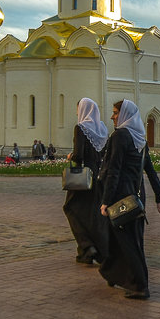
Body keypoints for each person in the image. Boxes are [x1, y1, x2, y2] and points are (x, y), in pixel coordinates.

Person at [98, 99, 160, 300]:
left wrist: (105, 200)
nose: (112, 116)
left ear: (125, 115)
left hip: (121, 197)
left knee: (128, 242)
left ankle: (139, 286)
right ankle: (118, 275)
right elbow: (151, 172)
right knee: (130, 240)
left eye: (115, 113)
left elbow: (114, 171)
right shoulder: (140, 139)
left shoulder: (120, 136)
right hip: (137, 198)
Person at [64, 98, 110, 265]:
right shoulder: (103, 129)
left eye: (78, 109)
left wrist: (70, 156)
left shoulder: (81, 128)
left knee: (70, 208)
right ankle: (93, 251)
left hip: (83, 178)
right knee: (94, 214)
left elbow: (78, 155)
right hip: (99, 177)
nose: (77, 112)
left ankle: (86, 245)